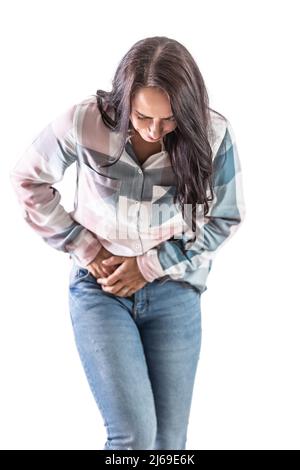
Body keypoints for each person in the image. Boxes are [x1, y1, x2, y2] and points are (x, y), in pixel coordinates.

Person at [10, 36, 246, 450]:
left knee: (169, 445)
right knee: (133, 439)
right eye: (142, 116)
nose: (155, 131)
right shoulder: (83, 122)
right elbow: (28, 179)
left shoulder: (213, 134)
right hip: (100, 291)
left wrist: (150, 265)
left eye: (170, 119)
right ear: (124, 99)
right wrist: (86, 247)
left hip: (175, 290)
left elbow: (225, 216)